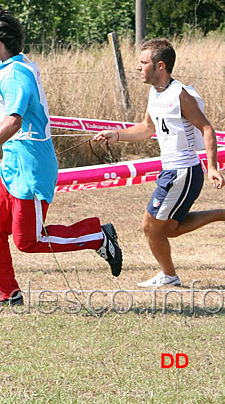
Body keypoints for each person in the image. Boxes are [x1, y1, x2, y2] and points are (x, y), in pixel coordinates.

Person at [0, 6, 122, 307]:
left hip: (31, 169)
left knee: (28, 241)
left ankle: (97, 236)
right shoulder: (10, 68)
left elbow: (12, 119)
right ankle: (3, 294)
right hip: (11, 165)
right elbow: (5, 102)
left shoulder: (15, 74)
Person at [93, 38, 224, 288]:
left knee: (150, 227)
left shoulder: (180, 95)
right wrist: (116, 134)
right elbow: (146, 129)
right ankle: (221, 214)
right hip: (172, 172)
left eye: (143, 63)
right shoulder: (155, 93)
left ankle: (169, 277)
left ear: (160, 66)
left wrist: (213, 168)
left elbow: (207, 128)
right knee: (170, 229)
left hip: (182, 172)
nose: (138, 67)